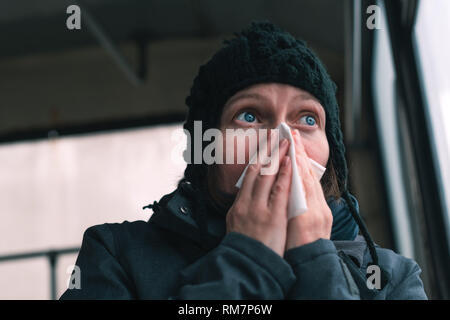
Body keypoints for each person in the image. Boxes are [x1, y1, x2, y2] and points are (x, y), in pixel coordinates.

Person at [60, 21, 427, 300]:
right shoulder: (118, 256)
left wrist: (318, 263)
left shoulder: (392, 278)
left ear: (331, 154)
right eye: (249, 116)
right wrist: (248, 261)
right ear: (208, 151)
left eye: (307, 119)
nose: (283, 140)